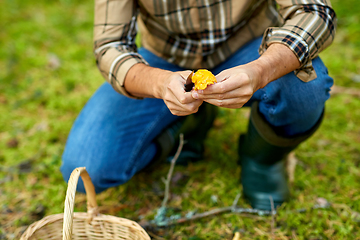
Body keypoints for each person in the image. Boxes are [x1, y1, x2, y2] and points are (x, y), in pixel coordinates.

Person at [61, 0, 336, 210]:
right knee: (90, 167)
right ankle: (184, 126)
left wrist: (261, 70)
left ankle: (262, 160)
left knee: (305, 89)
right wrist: (159, 83)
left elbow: (315, 11)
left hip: (250, 47)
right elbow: (111, 45)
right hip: (165, 60)